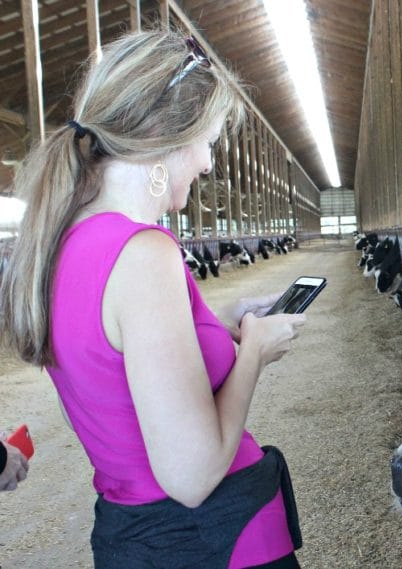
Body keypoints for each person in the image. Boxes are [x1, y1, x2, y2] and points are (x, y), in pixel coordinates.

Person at [0, 30, 306, 568]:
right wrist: (255, 351)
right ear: (164, 136)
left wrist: (215, 323)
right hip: (209, 541)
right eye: (207, 142)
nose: (209, 165)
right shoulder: (142, 253)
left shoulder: (59, 246)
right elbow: (192, 475)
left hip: (129, 538)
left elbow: (114, 360)